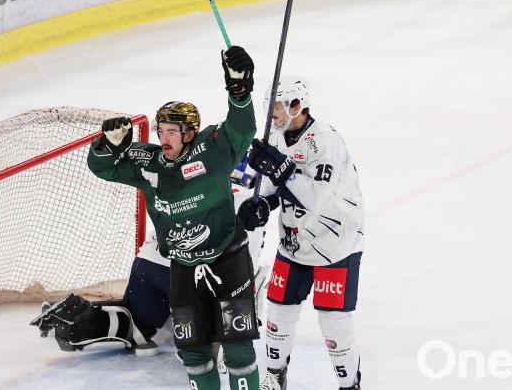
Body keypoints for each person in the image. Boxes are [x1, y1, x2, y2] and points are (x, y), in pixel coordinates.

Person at [85, 46, 259, 390]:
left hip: (227, 258)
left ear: (190, 134)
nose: (162, 138)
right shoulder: (148, 164)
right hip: (182, 266)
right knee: (193, 352)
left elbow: (243, 128)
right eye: (160, 130)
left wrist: (239, 91)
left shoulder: (213, 151)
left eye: (171, 132)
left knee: (238, 349)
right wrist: (106, 145)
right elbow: (101, 167)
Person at [30, 164, 270, 362]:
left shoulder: (189, 182)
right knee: (223, 297)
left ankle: (80, 322)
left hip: (147, 265)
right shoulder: (250, 202)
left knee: (137, 325)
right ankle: (206, 341)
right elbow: (241, 267)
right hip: (185, 276)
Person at [238, 75, 365, 390]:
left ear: (298, 106)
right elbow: (270, 188)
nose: (272, 114)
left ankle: (349, 384)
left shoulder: (326, 142)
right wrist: (260, 206)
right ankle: (275, 376)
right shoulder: (278, 137)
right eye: (270, 107)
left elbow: (315, 199)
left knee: (333, 324)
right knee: (279, 313)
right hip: (294, 243)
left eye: (278, 107)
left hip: (335, 243)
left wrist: (280, 169)